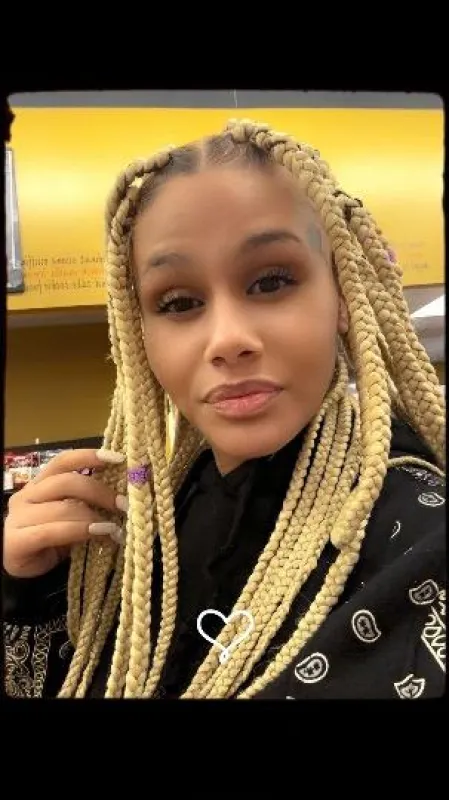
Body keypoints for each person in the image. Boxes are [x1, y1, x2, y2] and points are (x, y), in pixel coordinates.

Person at [3, 118, 445, 700]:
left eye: (271, 281)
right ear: (140, 335)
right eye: (179, 302)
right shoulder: (142, 530)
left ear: (342, 295)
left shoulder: (422, 541)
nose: (228, 339)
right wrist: (30, 590)